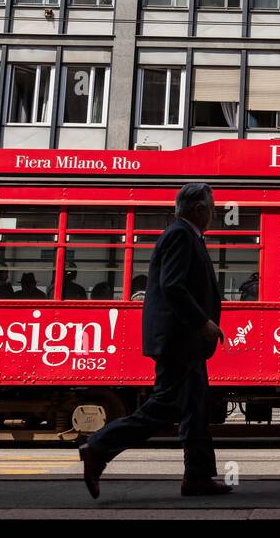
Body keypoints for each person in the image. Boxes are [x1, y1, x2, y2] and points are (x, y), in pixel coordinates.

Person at [79, 183, 230, 499]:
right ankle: (98, 447)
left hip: (184, 341)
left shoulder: (186, 235)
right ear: (199, 209)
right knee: (165, 406)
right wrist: (204, 323)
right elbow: (173, 286)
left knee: (194, 408)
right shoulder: (180, 235)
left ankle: (198, 478)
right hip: (180, 340)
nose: (215, 214)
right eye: (212, 208)